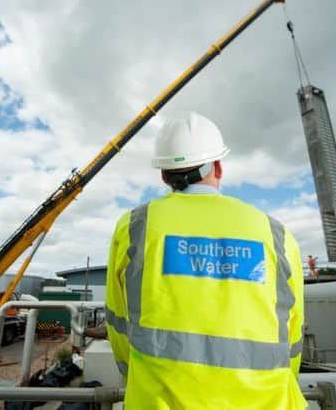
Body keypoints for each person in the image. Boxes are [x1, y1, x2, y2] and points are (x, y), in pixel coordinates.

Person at [105, 111, 306, 409]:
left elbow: (118, 323)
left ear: (163, 175)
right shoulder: (276, 234)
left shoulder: (134, 227)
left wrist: (134, 382)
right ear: (219, 167)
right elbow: (293, 332)